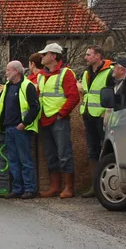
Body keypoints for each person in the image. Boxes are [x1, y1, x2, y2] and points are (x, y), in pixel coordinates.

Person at [0, 61, 39, 199]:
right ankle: (17, 188)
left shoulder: (27, 86)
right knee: (13, 160)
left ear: (16, 71)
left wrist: (24, 123)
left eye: (8, 70)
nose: (6, 72)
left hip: (21, 129)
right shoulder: (8, 86)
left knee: (25, 160)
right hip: (9, 127)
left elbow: (35, 107)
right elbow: (2, 99)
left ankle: (29, 188)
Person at [36, 43, 79, 199]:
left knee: (64, 153)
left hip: (58, 119)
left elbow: (74, 96)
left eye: (44, 54)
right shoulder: (41, 75)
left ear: (53, 56)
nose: (41, 57)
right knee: (50, 154)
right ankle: (54, 187)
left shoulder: (66, 73)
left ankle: (69, 187)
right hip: (45, 118)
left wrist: (62, 113)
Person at [79, 45, 114, 198]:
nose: (85, 57)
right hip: (88, 115)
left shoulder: (109, 72)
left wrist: (106, 113)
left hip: (102, 117)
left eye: (88, 54)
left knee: (106, 149)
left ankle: (106, 184)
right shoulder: (86, 72)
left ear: (98, 56)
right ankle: (95, 186)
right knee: (92, 150)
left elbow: (114, 94)